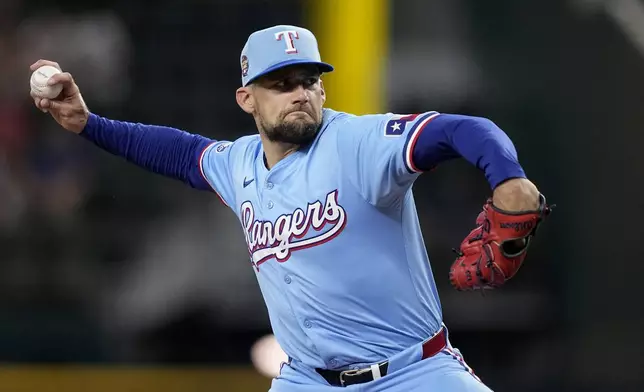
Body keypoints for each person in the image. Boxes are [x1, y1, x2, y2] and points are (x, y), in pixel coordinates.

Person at [30, 25, 551, 391]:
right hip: (307, 380)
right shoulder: (239, 165)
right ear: (246, 99)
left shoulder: (359, 143)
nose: (300, 93)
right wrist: (87, 124)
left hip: (415, 374)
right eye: (281, 84)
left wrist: (508, 178)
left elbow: (465, 130)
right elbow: (176, 151)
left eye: (309, 80)